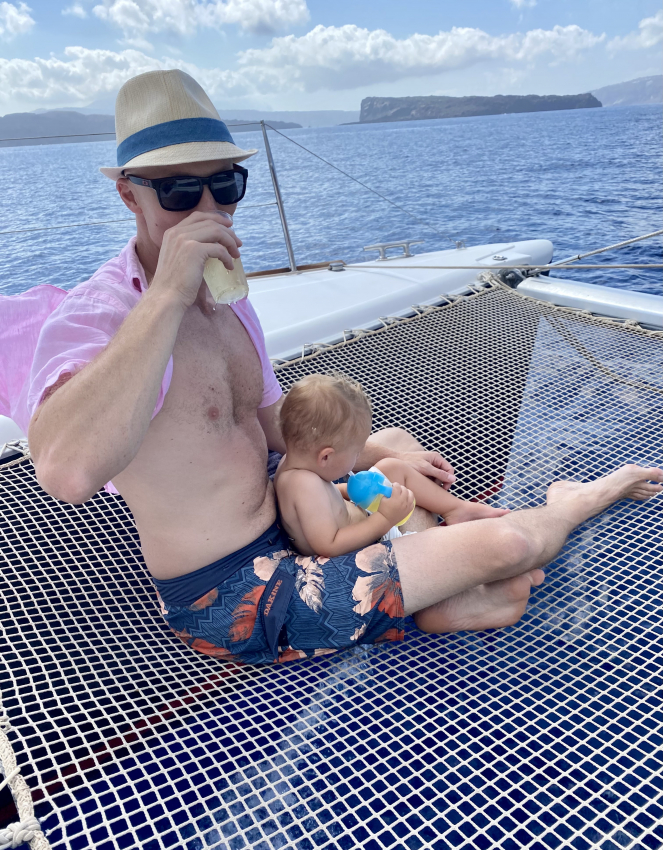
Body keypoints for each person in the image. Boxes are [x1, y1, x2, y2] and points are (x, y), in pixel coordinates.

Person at [27, 70, 663, 665]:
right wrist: (165, 296)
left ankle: (444, 572)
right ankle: (573, 501)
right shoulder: (99, 317)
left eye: (225, 185)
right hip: (230, 594)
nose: (207, 211)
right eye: (178, 191)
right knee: (513, 550)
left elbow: (269, 424)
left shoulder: (225, 293)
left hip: (290, 517)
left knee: (393, 446)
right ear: (128, 195)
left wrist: (358, 452)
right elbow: (67, 472)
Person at [274, 374, 510, 557]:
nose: (357, 459)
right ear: (326, 457)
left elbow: (317, 507)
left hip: (359, 520)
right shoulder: (303, 485)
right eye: (356, 453)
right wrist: (386, 518)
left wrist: (346, 491)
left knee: (391, 466)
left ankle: (455, 508)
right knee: (429, 544)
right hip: (362, 547)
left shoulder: (294, 466)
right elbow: (329, 545)